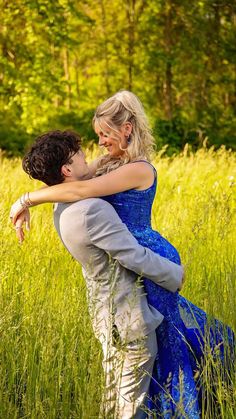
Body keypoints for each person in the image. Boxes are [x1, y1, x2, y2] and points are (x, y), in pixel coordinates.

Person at [10, 91, 235, 418]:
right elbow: (72, 181)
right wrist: (31, 196)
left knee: (165, 345)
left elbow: (81, 188)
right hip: (131, 268)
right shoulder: (110, 163)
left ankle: (182, 408)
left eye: (105, 133)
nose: (99, 142)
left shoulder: (138, 168)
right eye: (98, 133)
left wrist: (27, 199)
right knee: (153, 348)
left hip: (148, 256)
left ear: (127, 129)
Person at [13, 130, 184, 419]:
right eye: (78, 154)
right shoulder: (91, 209)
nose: (86, 156)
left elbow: (92, 172)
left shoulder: (62, 205)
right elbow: (133, 255)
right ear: (67, 169)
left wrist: (27, 199)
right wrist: (175, 274)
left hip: (105, 314)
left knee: (112, 396)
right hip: (126, 317)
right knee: (131, 404)